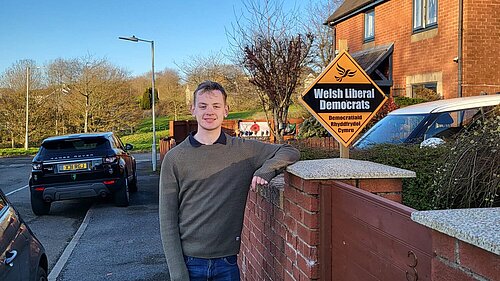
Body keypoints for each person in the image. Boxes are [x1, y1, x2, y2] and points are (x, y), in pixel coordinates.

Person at [159, 80, 300, 281]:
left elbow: (289, 151)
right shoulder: (175, 158)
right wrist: (178, 274)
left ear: (226, 110)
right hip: (190, 263)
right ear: (193, 110)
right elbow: (167, 220)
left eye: (216, 106)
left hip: (227, 264)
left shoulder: (243, 151)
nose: (210, 111)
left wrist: (265, 171)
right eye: (203, 106)